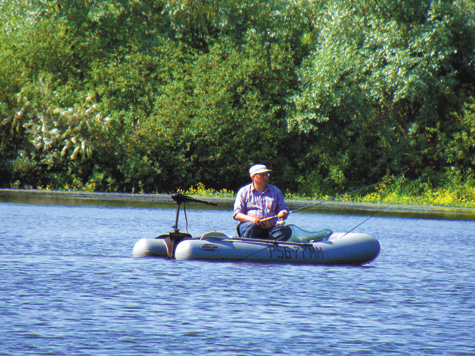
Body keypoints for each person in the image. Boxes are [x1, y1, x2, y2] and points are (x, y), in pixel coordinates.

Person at [233, 164, 292, 240]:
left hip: (271, 229)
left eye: (267, 174)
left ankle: (269, 246)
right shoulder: (244, 191)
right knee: (252, 226)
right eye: (263, 175)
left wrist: (283, 213)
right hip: (250, 226)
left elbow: (284, 209)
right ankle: (248, 245)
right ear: (253, 177)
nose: (266, 177)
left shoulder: (275, 191)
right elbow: (237, 214)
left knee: (286, 230)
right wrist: (251, 219)